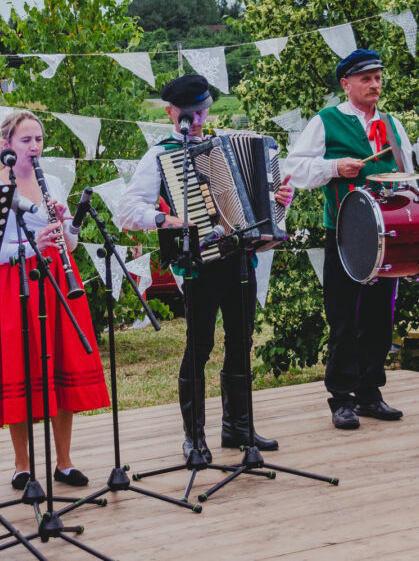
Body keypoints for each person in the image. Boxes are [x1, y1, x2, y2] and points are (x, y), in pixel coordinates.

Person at [114, 74, 293, 461]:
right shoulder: (160, 155)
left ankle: (238, 428)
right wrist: (166, 220)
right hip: (199, 264)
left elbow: (260, 206)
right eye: (190, 113)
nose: (197, 120)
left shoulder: (225, 146)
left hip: (240, 259)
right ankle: (194, 437)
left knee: (241, 342)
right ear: (171, 113)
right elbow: (126, 211)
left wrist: (280, 201)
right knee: (200, 346)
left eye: (203, 111)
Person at [0, 110, 109, 490]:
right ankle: (22, 465)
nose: (35, 147)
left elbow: (70, 243)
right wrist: (32, 244)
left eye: (38, 140)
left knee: (61, 365)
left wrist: (66, 225)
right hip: (14, 280)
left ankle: (64, 462)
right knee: (20, 368)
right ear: (7, 145)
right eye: (26, 140)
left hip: (56, 279)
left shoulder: (53, 181)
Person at [285, 49, 413, 431]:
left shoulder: (391, 123)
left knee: (380, 318)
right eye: (366, 79)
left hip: (386, 234)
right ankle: (341, 399)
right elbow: (295, 169)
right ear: (346, 84)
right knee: (344, 317)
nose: (375, 85)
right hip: (345, 232)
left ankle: (370, 393)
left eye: (378, 78)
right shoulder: (326, 121)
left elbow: (407, 171)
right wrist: (333, 167)